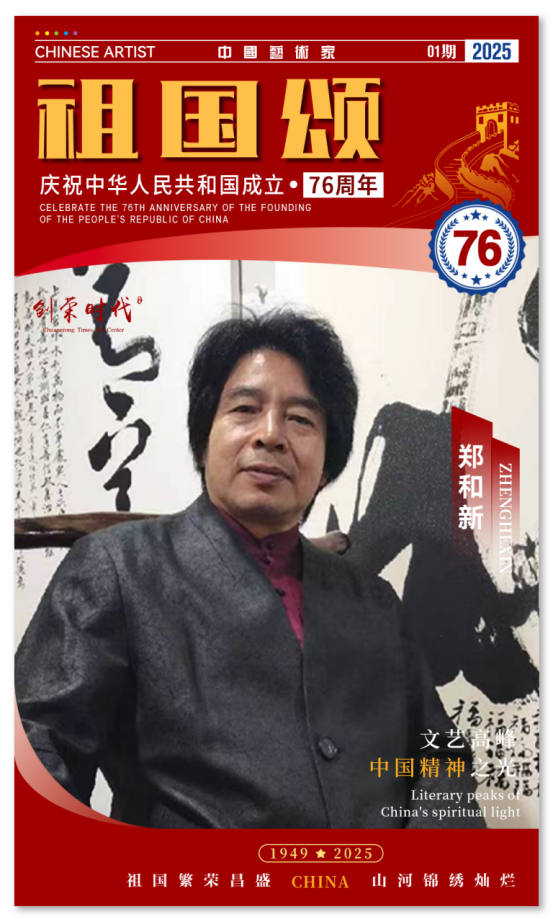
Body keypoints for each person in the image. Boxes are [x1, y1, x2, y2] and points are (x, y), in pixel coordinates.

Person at [15, 310, 485, 830]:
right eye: (244, 409)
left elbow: (441, 758)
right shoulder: (118, 569)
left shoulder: (374, 602)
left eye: (301, 420)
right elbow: (38, 757)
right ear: (204, 438)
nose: (271, 435)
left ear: (326, 463)